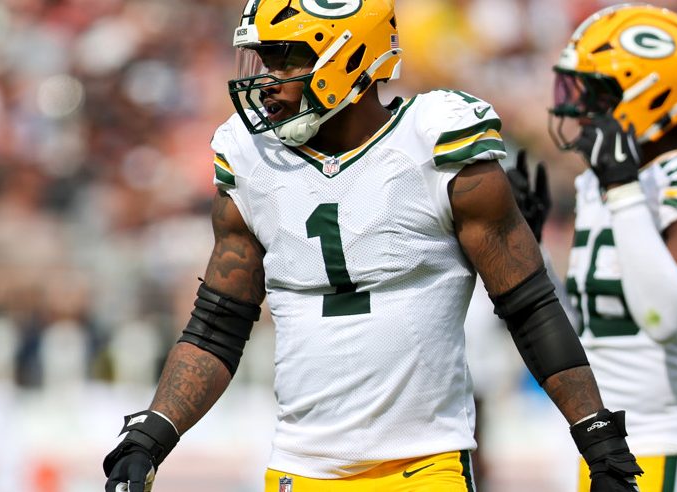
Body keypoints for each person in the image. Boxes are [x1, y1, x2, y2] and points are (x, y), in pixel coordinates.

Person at [104, 1, 643, 491]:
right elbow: (218, 324)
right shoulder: (250, 159)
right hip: (299, 467)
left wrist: (598, 438)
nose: (266, 80)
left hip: (424, 465)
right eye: (263, 61)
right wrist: (153, 432)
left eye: (285, 60)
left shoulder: (435, 143)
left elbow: (529, 305)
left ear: (347, 59)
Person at [548, 4, 677, 492]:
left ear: (646, 96)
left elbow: (665, 317)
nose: (577, 107)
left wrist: (624, 189)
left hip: (675, 446)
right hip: (608, 445)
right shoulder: (597, 183)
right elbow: (589, 324)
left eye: (594, 92)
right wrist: (531, 248)